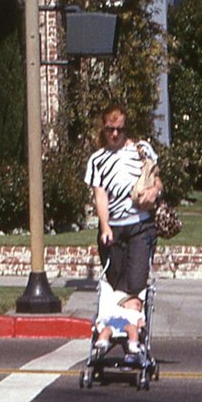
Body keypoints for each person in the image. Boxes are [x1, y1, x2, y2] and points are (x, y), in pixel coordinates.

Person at [84, 103, 157, 363]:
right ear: (103, 129)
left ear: (126, 128)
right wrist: (104, 226)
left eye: (119, 129)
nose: (114, 134)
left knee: (136, 282)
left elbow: (156, 178)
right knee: (114, 284)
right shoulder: (97, 160)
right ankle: (117, 331)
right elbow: (100, 196)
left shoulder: (141, 151)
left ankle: (132, 337)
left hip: (140, 225)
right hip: (114, 227)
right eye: (110, 130)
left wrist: (153, 192)